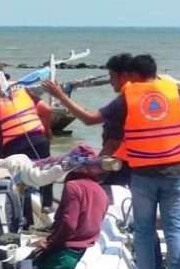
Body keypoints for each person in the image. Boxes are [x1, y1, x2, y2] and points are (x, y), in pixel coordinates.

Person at [106, 54, 180, 269]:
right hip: (175, 174)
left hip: (142, 176)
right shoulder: (174, 94)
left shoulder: (128, 99)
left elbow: (110, 136)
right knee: (175, 231)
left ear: (133, 76)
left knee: (144, 230)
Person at [28, 145, 109, 269]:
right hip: (84, 257)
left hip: (63, 255)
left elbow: (68, 224)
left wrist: (48, 242)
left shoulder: (73, 187)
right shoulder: (101, 191)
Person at [42, 53, 135, 185]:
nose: (110, 81)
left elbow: (89, 119)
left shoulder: (124, 100)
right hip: (136, 162)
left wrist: (60, 96)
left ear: (124, 75)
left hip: (118, 163)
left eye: (112, 76)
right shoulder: (142, 98)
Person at [0, 78, 54, 212]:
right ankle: (47, 204)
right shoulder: (23, 90)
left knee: (21, 181)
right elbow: (47, 109)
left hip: (13, 142)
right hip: (37, 137)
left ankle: (26, 219)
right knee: (46, 170)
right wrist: (46, 130)